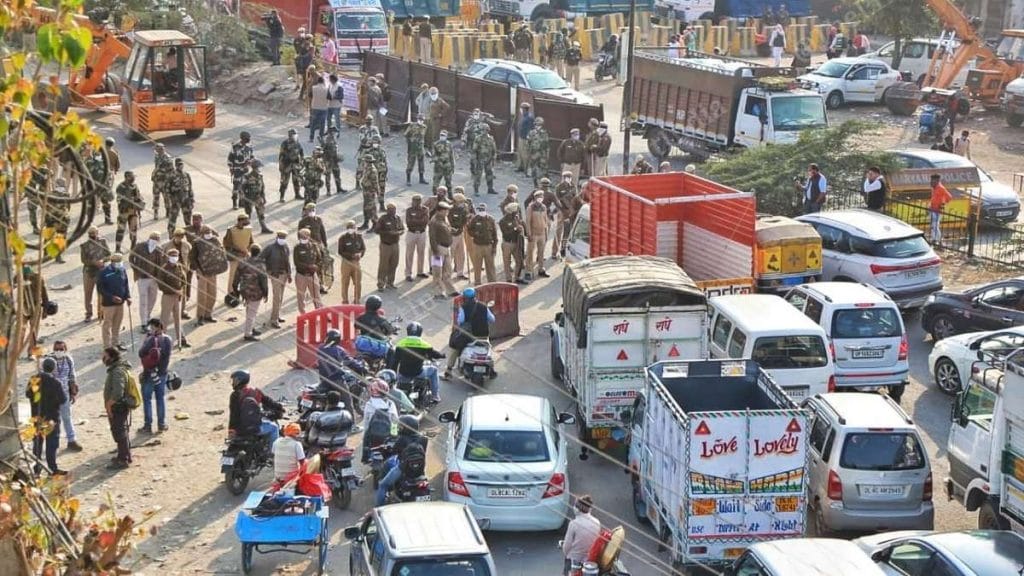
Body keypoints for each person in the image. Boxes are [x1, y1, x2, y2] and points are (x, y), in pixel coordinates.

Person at [375, 414, 428, 505]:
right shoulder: (424, 439)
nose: (400, 428)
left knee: (383, 485)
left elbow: (394, 451)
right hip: (419, 470)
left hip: (402, 469)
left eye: (402, 426)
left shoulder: (402, 439)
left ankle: (378, 509)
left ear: (408, 427)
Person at [444, 287, 495, 380]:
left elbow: (460, 321)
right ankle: (492, 370)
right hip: (483, 337)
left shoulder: (463, 308)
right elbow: (492, 319)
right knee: (489, 349)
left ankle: (448, 370)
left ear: (464, 298)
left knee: (454, 346)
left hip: (469, 337)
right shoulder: (483, 306)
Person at [27, 358, 67, 475]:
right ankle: (52, 468)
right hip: (52, 418)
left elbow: (28, 394)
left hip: (37, 417)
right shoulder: (56, 383)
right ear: (53, 368)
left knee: (38, 443)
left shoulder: (34, 379)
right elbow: (63, 399)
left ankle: (37, 469)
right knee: (52, 444)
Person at [228, 369, 283, 454]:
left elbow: (233, 415)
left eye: (235, 381)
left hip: (239, 430)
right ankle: (273, 454)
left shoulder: (234, 396)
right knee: (274, 428)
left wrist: (231, 430)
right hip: (254, 428)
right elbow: (268, 401)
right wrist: (280, 408)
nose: (233, 383)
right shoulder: (255, 392)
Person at [390, 322, 445, 404]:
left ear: (408, 331)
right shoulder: (424, 345)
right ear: (420, 332)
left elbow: (395, 362)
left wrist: (394, 377)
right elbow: (434, 354)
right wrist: (442, 355)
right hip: (419, 373)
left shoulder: (400, 344)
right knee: (434, 370)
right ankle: (435, 395)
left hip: (403, 374)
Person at [138, 317, 173, 434]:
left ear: (156, 327)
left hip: (149, 373)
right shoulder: (168, 340)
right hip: (162, 373)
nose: (150, 329)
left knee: (147, 399)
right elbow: (166, 356)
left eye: (152, 327)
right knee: (160, 399)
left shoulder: (151, 340)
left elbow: (141, 353)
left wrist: (145, 340)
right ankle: (161, 424)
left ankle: (148, 425)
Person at [317, 330, 367, 406]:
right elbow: (350, 361)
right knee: (348, 400)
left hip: (323, 379)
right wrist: (361, 367)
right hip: (336, 379)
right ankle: (350, 417)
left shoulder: (320, 347)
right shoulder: (338, 350)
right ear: (338, 339)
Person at [102, 347, 133, 469]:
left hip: (118, 407)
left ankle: (122, 459)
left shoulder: (117, 371)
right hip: (119, 406)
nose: (103, 359)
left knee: (119, 432)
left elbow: (118, 392)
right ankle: (124, 455)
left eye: (105, 356)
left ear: (112, 357)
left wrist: (109, 405)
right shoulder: (116, 369)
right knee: (121, 431)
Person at [48, 342, 81, 452]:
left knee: (67, 417)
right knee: (52, 420)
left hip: (65, 394)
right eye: (56, 349)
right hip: (52, 396)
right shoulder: (49, 361)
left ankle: (71, 440)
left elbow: (72, 376)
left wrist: (73, 391)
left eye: (61, 349)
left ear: (65, 349)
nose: (58, 351)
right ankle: (52, 442)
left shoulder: (68, 360)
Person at [233, 244, 269, 342]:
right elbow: (263, 280)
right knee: (252, 313)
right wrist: (266, 293)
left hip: (245, 290)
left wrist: (235, 289)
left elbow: (236, 276)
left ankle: (251, 328)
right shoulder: (260, 265)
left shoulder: (243, 262)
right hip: (255, 292)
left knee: (249, 310)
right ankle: (248, 334)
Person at [192, 225, 226, 325]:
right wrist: (197, 269)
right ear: (202, 233)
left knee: (213, 294)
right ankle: (200, 317)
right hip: (202, 272)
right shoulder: (197, 243)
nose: (208, 234)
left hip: (213, 272)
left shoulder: (215, 240)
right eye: (206, 232)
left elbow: (221, 252)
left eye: (209, 231)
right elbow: (192, 258)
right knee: (202, 296)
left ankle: (208, 314)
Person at [130, 231, 164, 331]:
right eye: (154, 238)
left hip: (154, 279)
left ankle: (147, 316)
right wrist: (136, 270)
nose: (155, 240)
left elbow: (161, 264)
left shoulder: (158, 249)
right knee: (143, 301)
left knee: (152, 299)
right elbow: (131, 258)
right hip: (142, 278)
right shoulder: (140, 246)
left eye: (157, 239)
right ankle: (144, 323)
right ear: (149, 238)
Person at [157, 247, 189, 348]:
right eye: (172, 256)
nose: (174, 258)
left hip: (178, 296)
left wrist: (181, 292)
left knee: (178, 319)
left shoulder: (179, 267)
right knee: (164, 319)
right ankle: (161, 342)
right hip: (168, 296)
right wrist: (173, 290)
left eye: (176, 256)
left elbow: (184, 281)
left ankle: (181, 339)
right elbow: (161, 285)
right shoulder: (164, 269)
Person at [97, 253, 130, 350]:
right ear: (112, 262)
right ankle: (107, 346)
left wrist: (128, 297)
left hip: (121, 303)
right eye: (117, 262)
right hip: (109, 304)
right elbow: (100, 289)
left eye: (120, 261)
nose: (119, 263)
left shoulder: (122, 270)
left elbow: (125, 284)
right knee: (107, 324)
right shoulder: (104, 272)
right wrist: (112, 297)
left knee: (117, 323)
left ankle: (116, 343)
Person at [361, 378, 399, 462]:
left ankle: (366, 459)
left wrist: (365, 435)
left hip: (373, 435)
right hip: (387, 434)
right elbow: (395, 420)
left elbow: (366, 422)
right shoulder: (390, 404)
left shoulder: (369, 404)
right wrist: (394, 435)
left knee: (366, 445)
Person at [562, 495, 601, 574]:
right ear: (590, 509)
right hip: (590, 560)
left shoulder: (573, 524)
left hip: (574, 561)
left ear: (577, 509)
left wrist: (566, 553)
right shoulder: (597, 522)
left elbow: (566, 547)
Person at [81, 227, 111, 322]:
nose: (92, 234)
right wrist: (93, 262)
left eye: (94, 232)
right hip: (89, 272)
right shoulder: (84, 245)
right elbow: (83, 260)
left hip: (101, 271)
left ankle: (101, 313)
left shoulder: (103, 242)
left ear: (97, 232)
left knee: (101, 294)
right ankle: (88, 314)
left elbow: (109, 255)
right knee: (88, 294)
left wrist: (102, 260)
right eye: (90, 233)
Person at [429, 202, 458, 299]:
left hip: (447, 248)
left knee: (448, 270)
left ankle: (450, 290)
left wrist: (452, 230)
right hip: (438, 249)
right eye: (446, 210)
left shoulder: (444, 218)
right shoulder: (434, 221)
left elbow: (447, 228)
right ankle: (438, 292)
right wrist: (435, 252)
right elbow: (432, 237)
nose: (448, 211)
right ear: (439, 211)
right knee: (437, 272)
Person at [293, 228, 323, 314]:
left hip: (313, 275)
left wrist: (316, 266)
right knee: (301, 296)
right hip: (301, 275)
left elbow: (319, 259)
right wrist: (308, 266)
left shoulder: (314, 246)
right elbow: (297, 262)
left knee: (316, 295)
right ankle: (302, 313)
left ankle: (320, 312)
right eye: (302, 236)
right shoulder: (297, 248)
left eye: (305, 236)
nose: (303, 238)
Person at [466, 203, 498, 284]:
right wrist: (474, 234)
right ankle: (477, 283)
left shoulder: (491, 219)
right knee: (477, 266)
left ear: (485, 210)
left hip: (488, 246)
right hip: (477, 246)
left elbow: (495, 234)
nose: (481, 211)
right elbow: (469, 229)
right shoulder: (475, 219)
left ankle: (492, 283)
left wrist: (494, 247)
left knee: (490, 266)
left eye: (482, 209)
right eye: (480, 209)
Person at [223, 213, 255, 290]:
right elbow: (227, 243)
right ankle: (230, 293)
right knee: (233, 276)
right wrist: (240, 250)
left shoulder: (248, 229)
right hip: (234, 256)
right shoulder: (231, 230)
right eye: (244, 222)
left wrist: (248, 251)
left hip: (245, 256)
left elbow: (251, 242)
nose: (246, 224)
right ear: (239, 221)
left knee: (244, 276)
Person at [524, 190, 551, 280]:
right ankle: (528, 271)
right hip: (534, 234)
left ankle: (541, 269)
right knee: (530, 253)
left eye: (542, 197)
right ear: (535, 198)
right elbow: (527, 222)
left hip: (542, 233)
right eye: (539, 197)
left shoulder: (543, 207)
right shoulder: (530, 208)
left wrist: (546, 233)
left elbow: (545, 220)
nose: (540, 198)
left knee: (541, 253)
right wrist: (529, 234)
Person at [114, 171, 143, 253]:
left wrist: (139, 201)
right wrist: (132, 201)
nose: (133, 178)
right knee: (120, 230)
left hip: (133, 212)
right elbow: (120, 200)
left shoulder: (134, 186)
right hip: (124, 212)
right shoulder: (121, 187)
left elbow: (138, 196)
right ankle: (118, 248)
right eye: (132, 176)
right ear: (127, 177)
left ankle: (133, 247)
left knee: (134, 230)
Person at [338, 220, 366, 304]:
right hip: (346, 262)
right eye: (349, 228)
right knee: (345, 282)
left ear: (355, 228)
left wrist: (360, 254)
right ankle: (345, 299)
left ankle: (357, 299)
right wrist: (351, 256)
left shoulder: (359, 237)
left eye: (352, 227)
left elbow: (363, 248)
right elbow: (340, 251)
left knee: (358, 282)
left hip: (356, 262)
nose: (351, 229)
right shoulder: (343, 238)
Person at [500, 202, 527, 284]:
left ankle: (517, 277)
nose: (518, 213)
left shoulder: (516, 218)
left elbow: (522, 227)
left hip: (516, 243)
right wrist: (515, 229)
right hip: (507, 243)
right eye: (516, 211)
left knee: (519, 260)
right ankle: (508, 278)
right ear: (511, 211)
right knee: (507, 262)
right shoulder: (503, 221)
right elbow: (506, 233)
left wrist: (523, 227)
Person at [404, 195, 430, 282]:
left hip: (422, 233)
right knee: (409, 254)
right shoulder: (409, 210)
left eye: (417, 201)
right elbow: (409, 222)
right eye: (414, 201)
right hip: (411, 233)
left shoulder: (425, 209)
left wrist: (415, 219)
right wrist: (418, 220)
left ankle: (420, 271)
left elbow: (425, 221)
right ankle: (408, 273)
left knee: (421, 253)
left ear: (420, 201)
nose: (415, 203)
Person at [228, 132, 254, 210]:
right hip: (237, 170)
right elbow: (230, 159)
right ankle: (234, 203)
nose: (248, 140)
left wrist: (250, 162)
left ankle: (241, 202)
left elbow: (252, 157)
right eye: (246, 138)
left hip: (246, 170)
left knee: (244, 187)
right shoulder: (235, 147)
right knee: (236, 187)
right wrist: (231, 168)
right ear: (242, 138)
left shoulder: (249, 147)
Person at [449, 192, 471, 280]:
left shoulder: (463, 209)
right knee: (450, 254)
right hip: (451, 235)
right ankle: (445, 273)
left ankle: (460, 272)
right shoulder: (450, 209)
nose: (462, 203)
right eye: (460, 201)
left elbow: (465, 220)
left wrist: (467, 219)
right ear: (456, 201)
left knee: (461, 254)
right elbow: (449, 221)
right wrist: (455, 227)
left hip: (460, 233)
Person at [278, 129, 305, 202]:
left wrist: (302, 161)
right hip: (287, 165)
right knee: (284, 181)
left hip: (295, 165)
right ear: (290, 135)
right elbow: (281, 155)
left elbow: (301, 152)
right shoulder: (285, 143)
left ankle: (297, 194)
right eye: (294, 134)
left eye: (295, 134)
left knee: (296, 180)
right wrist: (281, 166)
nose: (295, 136)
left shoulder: (297, 143)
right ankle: (282, 197)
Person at [471, 123, 498, 196]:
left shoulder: (491, 138)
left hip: (488, 160)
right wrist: (474, 160)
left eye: (485, 130)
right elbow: (474, 150)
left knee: (490, 174)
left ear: (488, 130)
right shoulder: (478, 138)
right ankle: (476, 190)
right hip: (480, 160)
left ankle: (490, 189)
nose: (484, 131)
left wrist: (494, 157)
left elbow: (494, 149)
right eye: (482, 130)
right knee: (478, 175)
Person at [929, 173, 953, 245]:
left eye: (932, 180)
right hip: (932, 209)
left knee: (935, 225)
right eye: (931, 180)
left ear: (937, 180)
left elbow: (949, 197)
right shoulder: (934, 188)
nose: (931, 182)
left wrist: (942, 203)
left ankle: (939, 240)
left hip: (937, 210)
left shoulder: (941, 188)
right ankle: (934, 239)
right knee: (933, 226)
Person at [528, 117, 550, 187]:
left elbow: (547, 145)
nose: (538, 127)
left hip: (542, 153)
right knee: (534, 169)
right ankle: (535, 184)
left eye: (539, 125)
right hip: (534, 153)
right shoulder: (531, 133)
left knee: (544, 169)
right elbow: (528, 143)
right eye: (536, 125)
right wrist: (529, 153)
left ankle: (545, 183)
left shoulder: (544, 133)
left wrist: (547, 154)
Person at [515, 102, 535, 173]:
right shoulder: (524, 116)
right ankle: (520, 167)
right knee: (520, 153)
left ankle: (526, 169)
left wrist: (528, 138)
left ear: (524, 109)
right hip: (521, 137)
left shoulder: (529, 117)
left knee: (525, 154)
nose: (520, 110)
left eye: (521, 108)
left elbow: (530, 129)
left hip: (525, 138)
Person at [309, 75, 329, 143]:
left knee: (313, 123)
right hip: (323, 108)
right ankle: (321, 137)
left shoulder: (313, 88)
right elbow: (330, 97)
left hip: (315, 107)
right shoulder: (326, 89)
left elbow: (310, 95)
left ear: (318, 81)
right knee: (322, 124)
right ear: (323, 81)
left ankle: (311, 138)